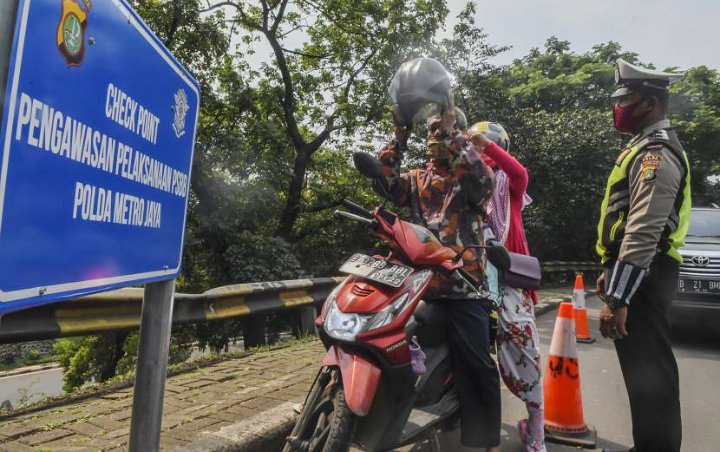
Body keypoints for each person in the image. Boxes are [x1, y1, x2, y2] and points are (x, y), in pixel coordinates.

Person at [374, 111, 502, 451]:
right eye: (431, 130)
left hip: (464, 286)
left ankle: (490, 441)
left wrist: (453, 136)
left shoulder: (470, 175)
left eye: (440, 130)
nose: (435, 136)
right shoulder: (416, 178)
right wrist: (399, 137)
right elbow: (385, 183)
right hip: (417, 284)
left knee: (476, 361)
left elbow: (483, 182)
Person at [595, 59, 691, 452]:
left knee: (650, 376)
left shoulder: (656, 152)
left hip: (646, 276)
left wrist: (619, 297)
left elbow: (644, 229)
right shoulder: (642, 147)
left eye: (627, 99)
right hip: (639, 272)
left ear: (650, 103)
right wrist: (610, 271)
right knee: (642, 374)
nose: (619, 107)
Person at [466, 122, 546, 452]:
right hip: (470, 276)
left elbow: (520, 173)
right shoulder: (465, 181)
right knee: (473, 354)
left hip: (509, 279)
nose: (480, 151)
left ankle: (536, 431)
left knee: (524, 351)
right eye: (476, 146)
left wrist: (488, 146)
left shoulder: (508, 184)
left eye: (485, 146)